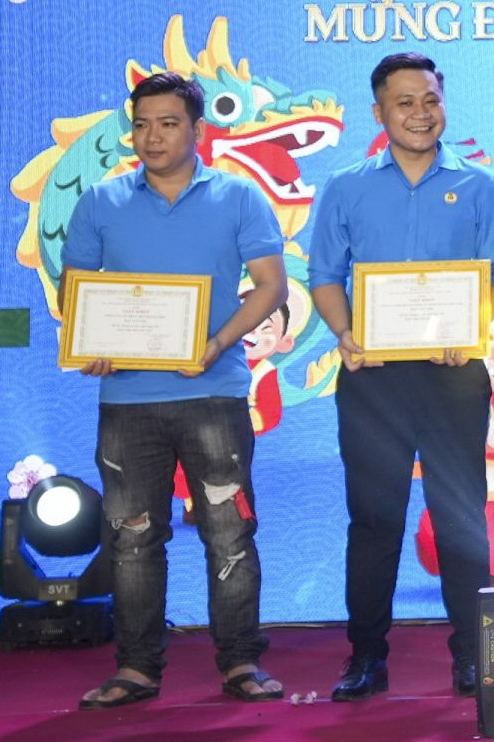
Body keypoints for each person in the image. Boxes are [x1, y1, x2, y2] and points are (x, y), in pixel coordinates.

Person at [63, 72, 288, 708]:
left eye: (168, 123)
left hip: (213, 392)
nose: (152, 136)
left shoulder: (239, 196)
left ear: (198, 130)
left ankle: (240, 661)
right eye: (141, 124)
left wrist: (216, 343)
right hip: (127, 400)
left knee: (230, 534)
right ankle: (136, 668)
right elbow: (76, 292)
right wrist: (90, 341)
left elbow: (272, 287)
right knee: (133, 538)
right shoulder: (100, 201)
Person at [308, 52, 494, 700]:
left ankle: (474, 653)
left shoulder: (480, 185)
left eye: (430, 100)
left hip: (453, 375)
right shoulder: (346, 187)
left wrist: (470, 330)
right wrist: (345, 334)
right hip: (373, 380)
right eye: (405, 102)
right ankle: (366, 656)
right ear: (379, 112)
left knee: (461, 518)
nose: (420, 113)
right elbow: (324, 276)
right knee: (374, 520)